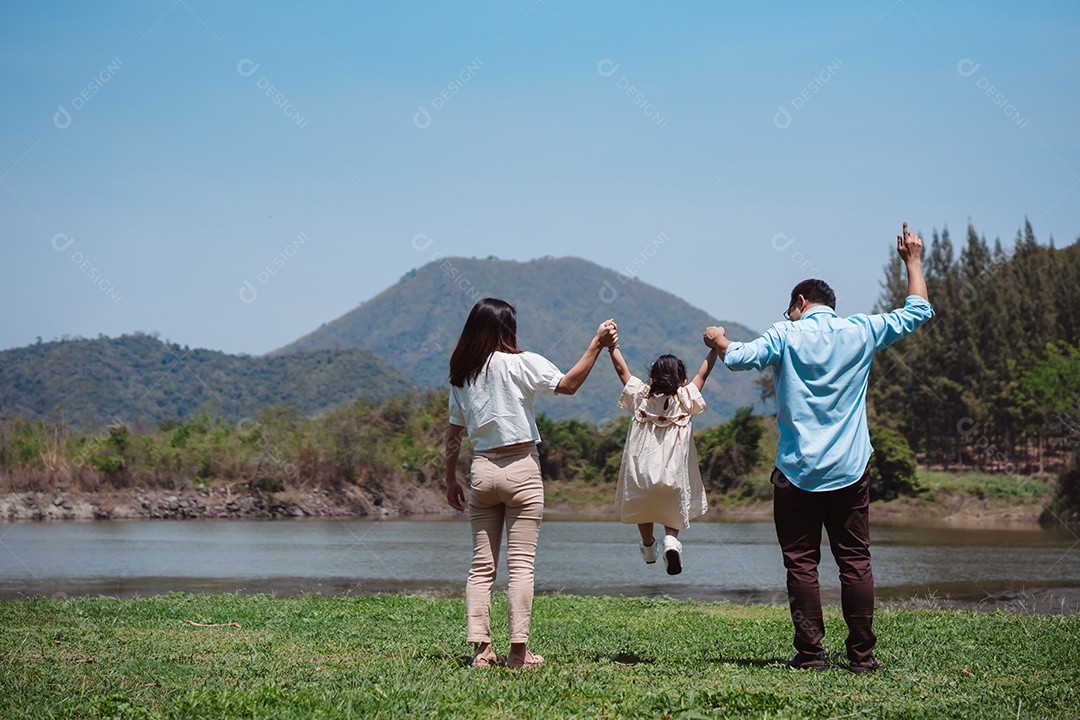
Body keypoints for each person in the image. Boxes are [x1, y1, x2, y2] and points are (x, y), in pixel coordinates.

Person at [703, 222, 933, 673]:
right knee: (855, 562)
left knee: (802, 565)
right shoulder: (861, 330)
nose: (788, 315)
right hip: (849, 470)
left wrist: (716, 340)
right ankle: (861, 657)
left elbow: (738, 357)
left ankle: (810, 657)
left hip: (796, 473)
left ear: (801, 303)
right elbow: (918, 310)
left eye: (790, 309)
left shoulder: (785, 334)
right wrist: (912, 261)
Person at [444, 298, 617, 669]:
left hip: (482, 470)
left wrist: (449, 480)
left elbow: (453, 436)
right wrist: (596, 345)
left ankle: (481, 651)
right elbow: (568, 385)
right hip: (522, 467)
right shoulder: (522, 362)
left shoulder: (462, 374)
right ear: (508, 328)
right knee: (521, 565)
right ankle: (518, 655)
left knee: (481, 566)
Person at [606, 342, 719, 574]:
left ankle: (648, 548)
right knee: (672, 509)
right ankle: (671, 542)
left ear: (651, 379)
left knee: (643, 507)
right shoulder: (686, 400)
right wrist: (715, 348)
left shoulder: (640, 396)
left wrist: (611, 347)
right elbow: (704, 373)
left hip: (641, 477)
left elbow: (621, 370)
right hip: (673, 478)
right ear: (683, 381)